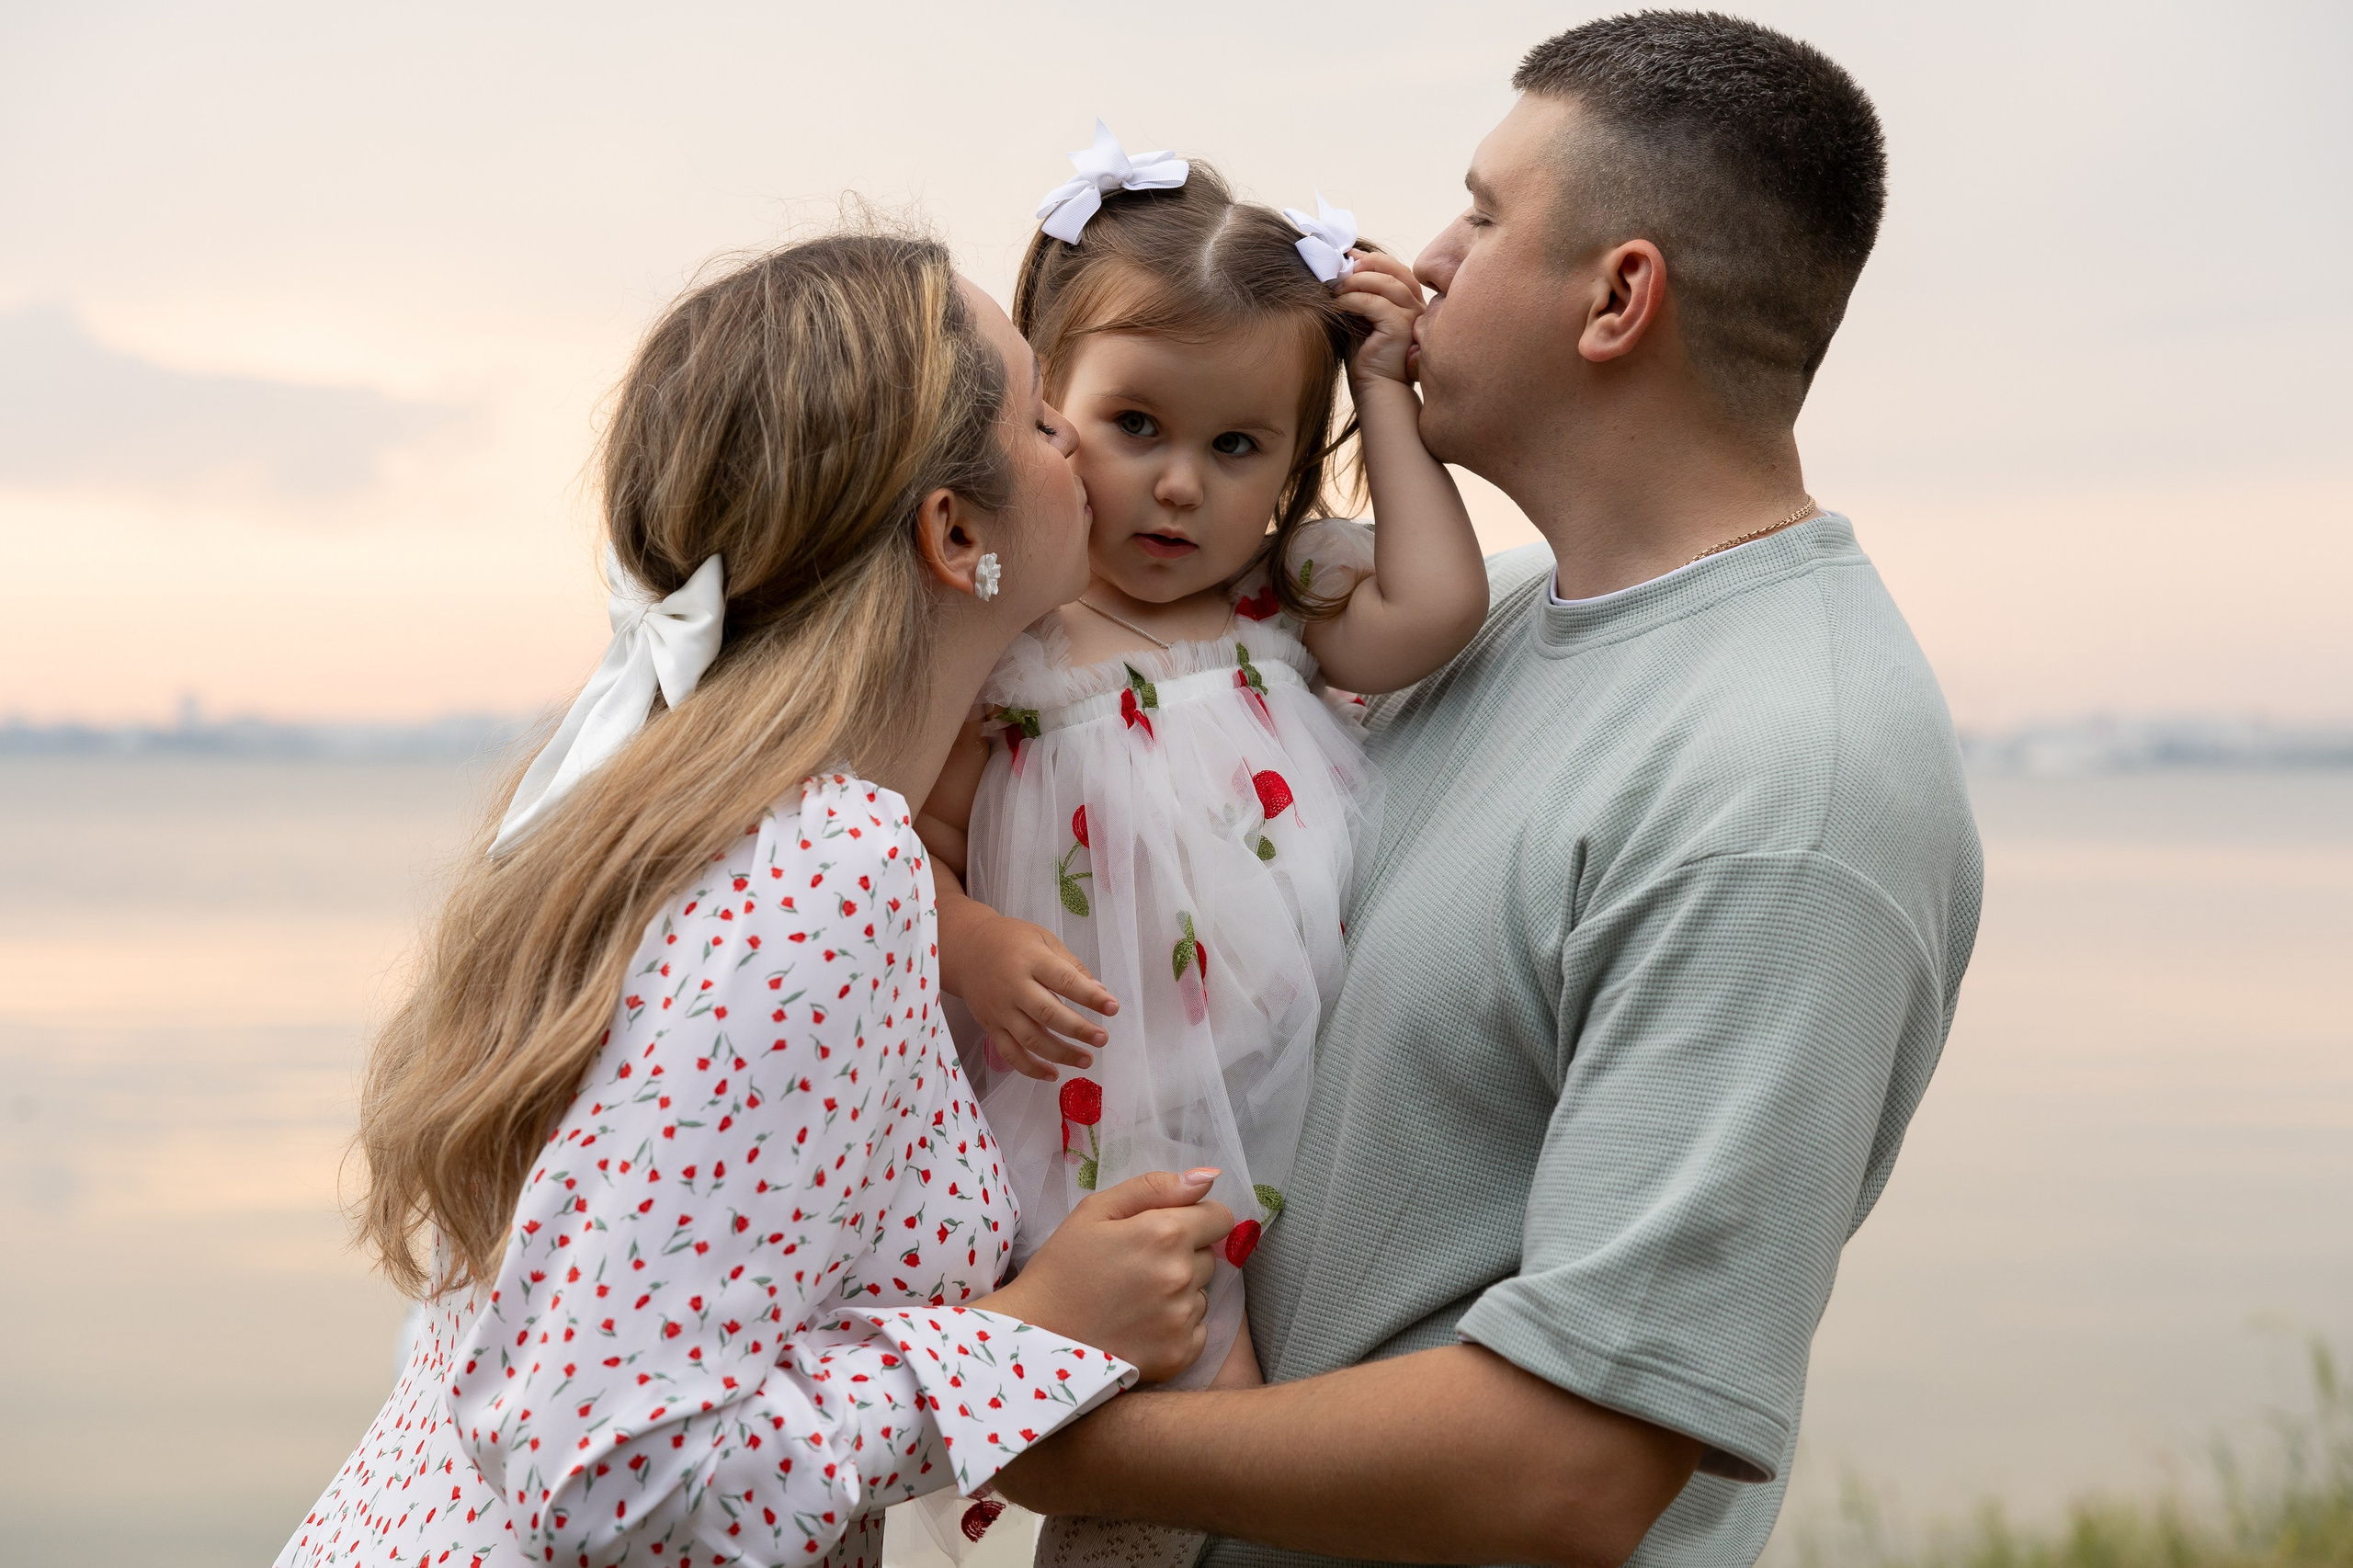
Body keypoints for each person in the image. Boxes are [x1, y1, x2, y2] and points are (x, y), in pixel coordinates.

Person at [990, 14, 1984, 1568]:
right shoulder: (1502, 624)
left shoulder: (1791, 782)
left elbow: (1572, 1468)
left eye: (1484, 211)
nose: (1424, 259)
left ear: (1619, 296)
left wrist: (1062, 1428)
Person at [276, 230, 1239, 1568]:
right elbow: (615, 1474)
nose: (1077, 441)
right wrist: (1031, 1331)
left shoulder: (696, 813)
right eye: (1035, 415)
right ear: (958, 534)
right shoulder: (826, 865)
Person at [913, 140, 1488, 1565]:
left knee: (1257, 1458)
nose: (1179, 487)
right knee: (1142, 1454)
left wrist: (1383, 393)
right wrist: (971, 941)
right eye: (1133, 427)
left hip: (1290, 1105)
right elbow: (897, 838)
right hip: (1096, 1114)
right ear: (1044, 408)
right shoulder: (1011, 641)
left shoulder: (1282, 604)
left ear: (1294, 466)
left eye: (1237, 448)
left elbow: (1438, 606)